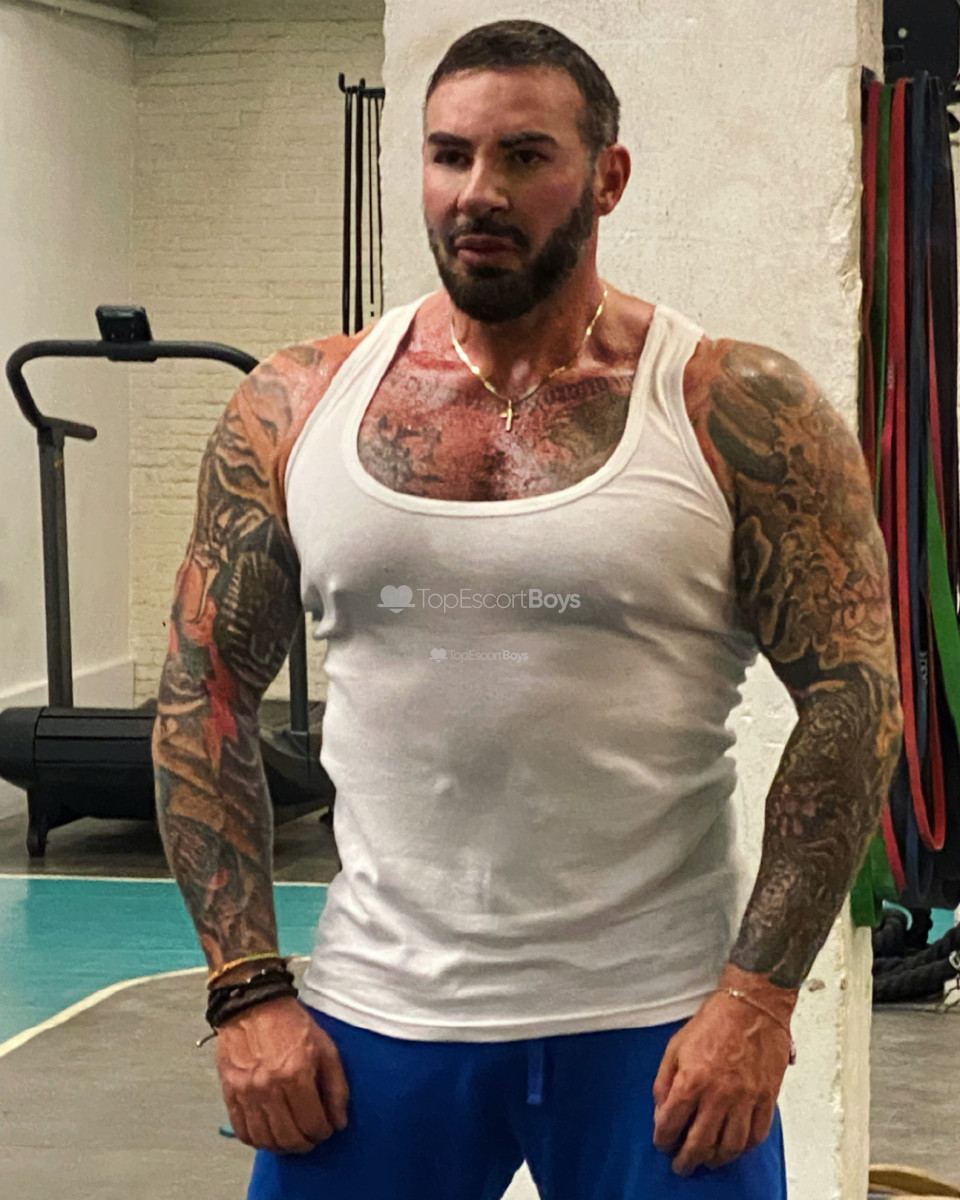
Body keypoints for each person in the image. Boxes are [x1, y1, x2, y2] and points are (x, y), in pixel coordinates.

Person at [152, 19, 903, 1200]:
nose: (478, 193)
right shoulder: (293, 406)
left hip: (660, 1027)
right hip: (375, 1019)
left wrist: (758, 1000)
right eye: (450, 155)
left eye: (524, 156)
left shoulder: (735, 408)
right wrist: (245, 990)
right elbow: (204, 692)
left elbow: (854, 701)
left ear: (608, 176)